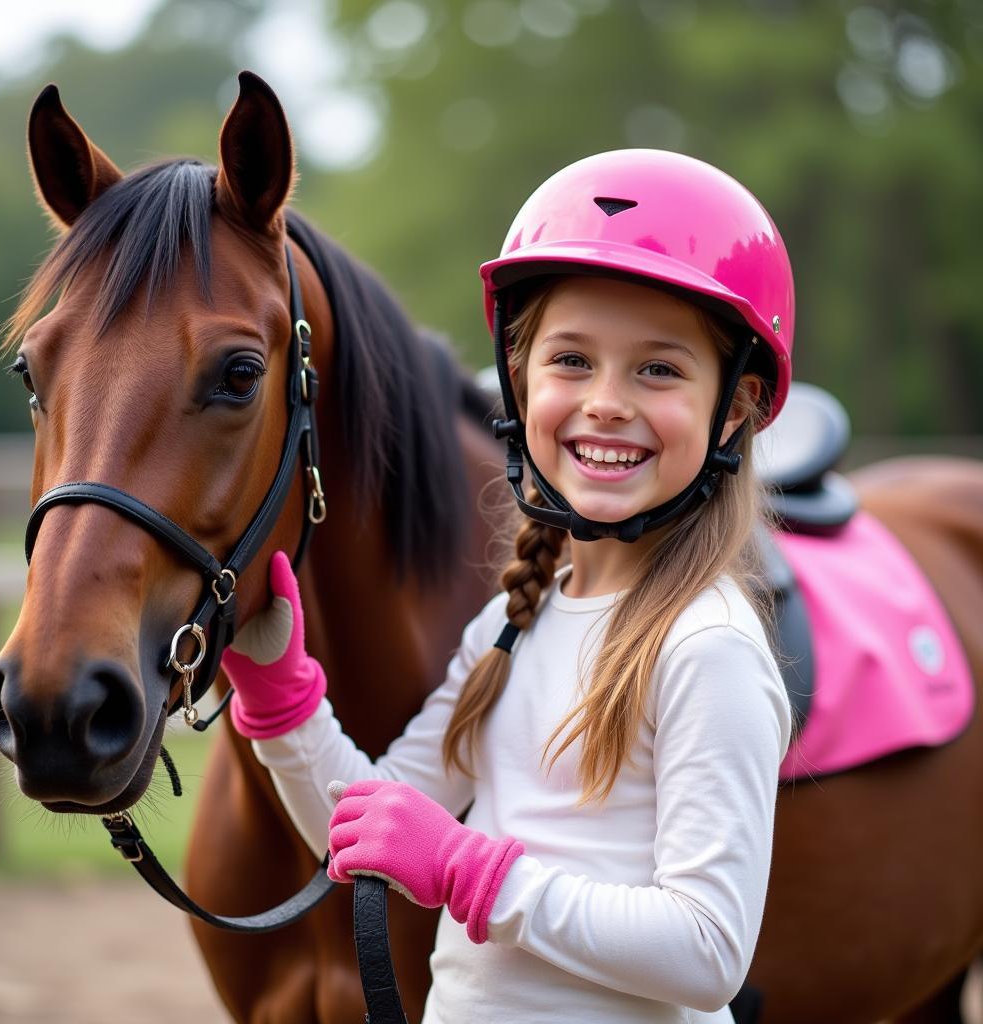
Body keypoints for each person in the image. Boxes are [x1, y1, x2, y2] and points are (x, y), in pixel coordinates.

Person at [222, 149, 793, 1023]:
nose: (606, 401)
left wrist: (470, 870)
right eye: (571, 360)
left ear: (738, 406)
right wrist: (282, 697)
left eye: (659, 369)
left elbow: (707, 948)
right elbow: (367, 825)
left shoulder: (705, 646)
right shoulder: (511, 623)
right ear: (520, 378)